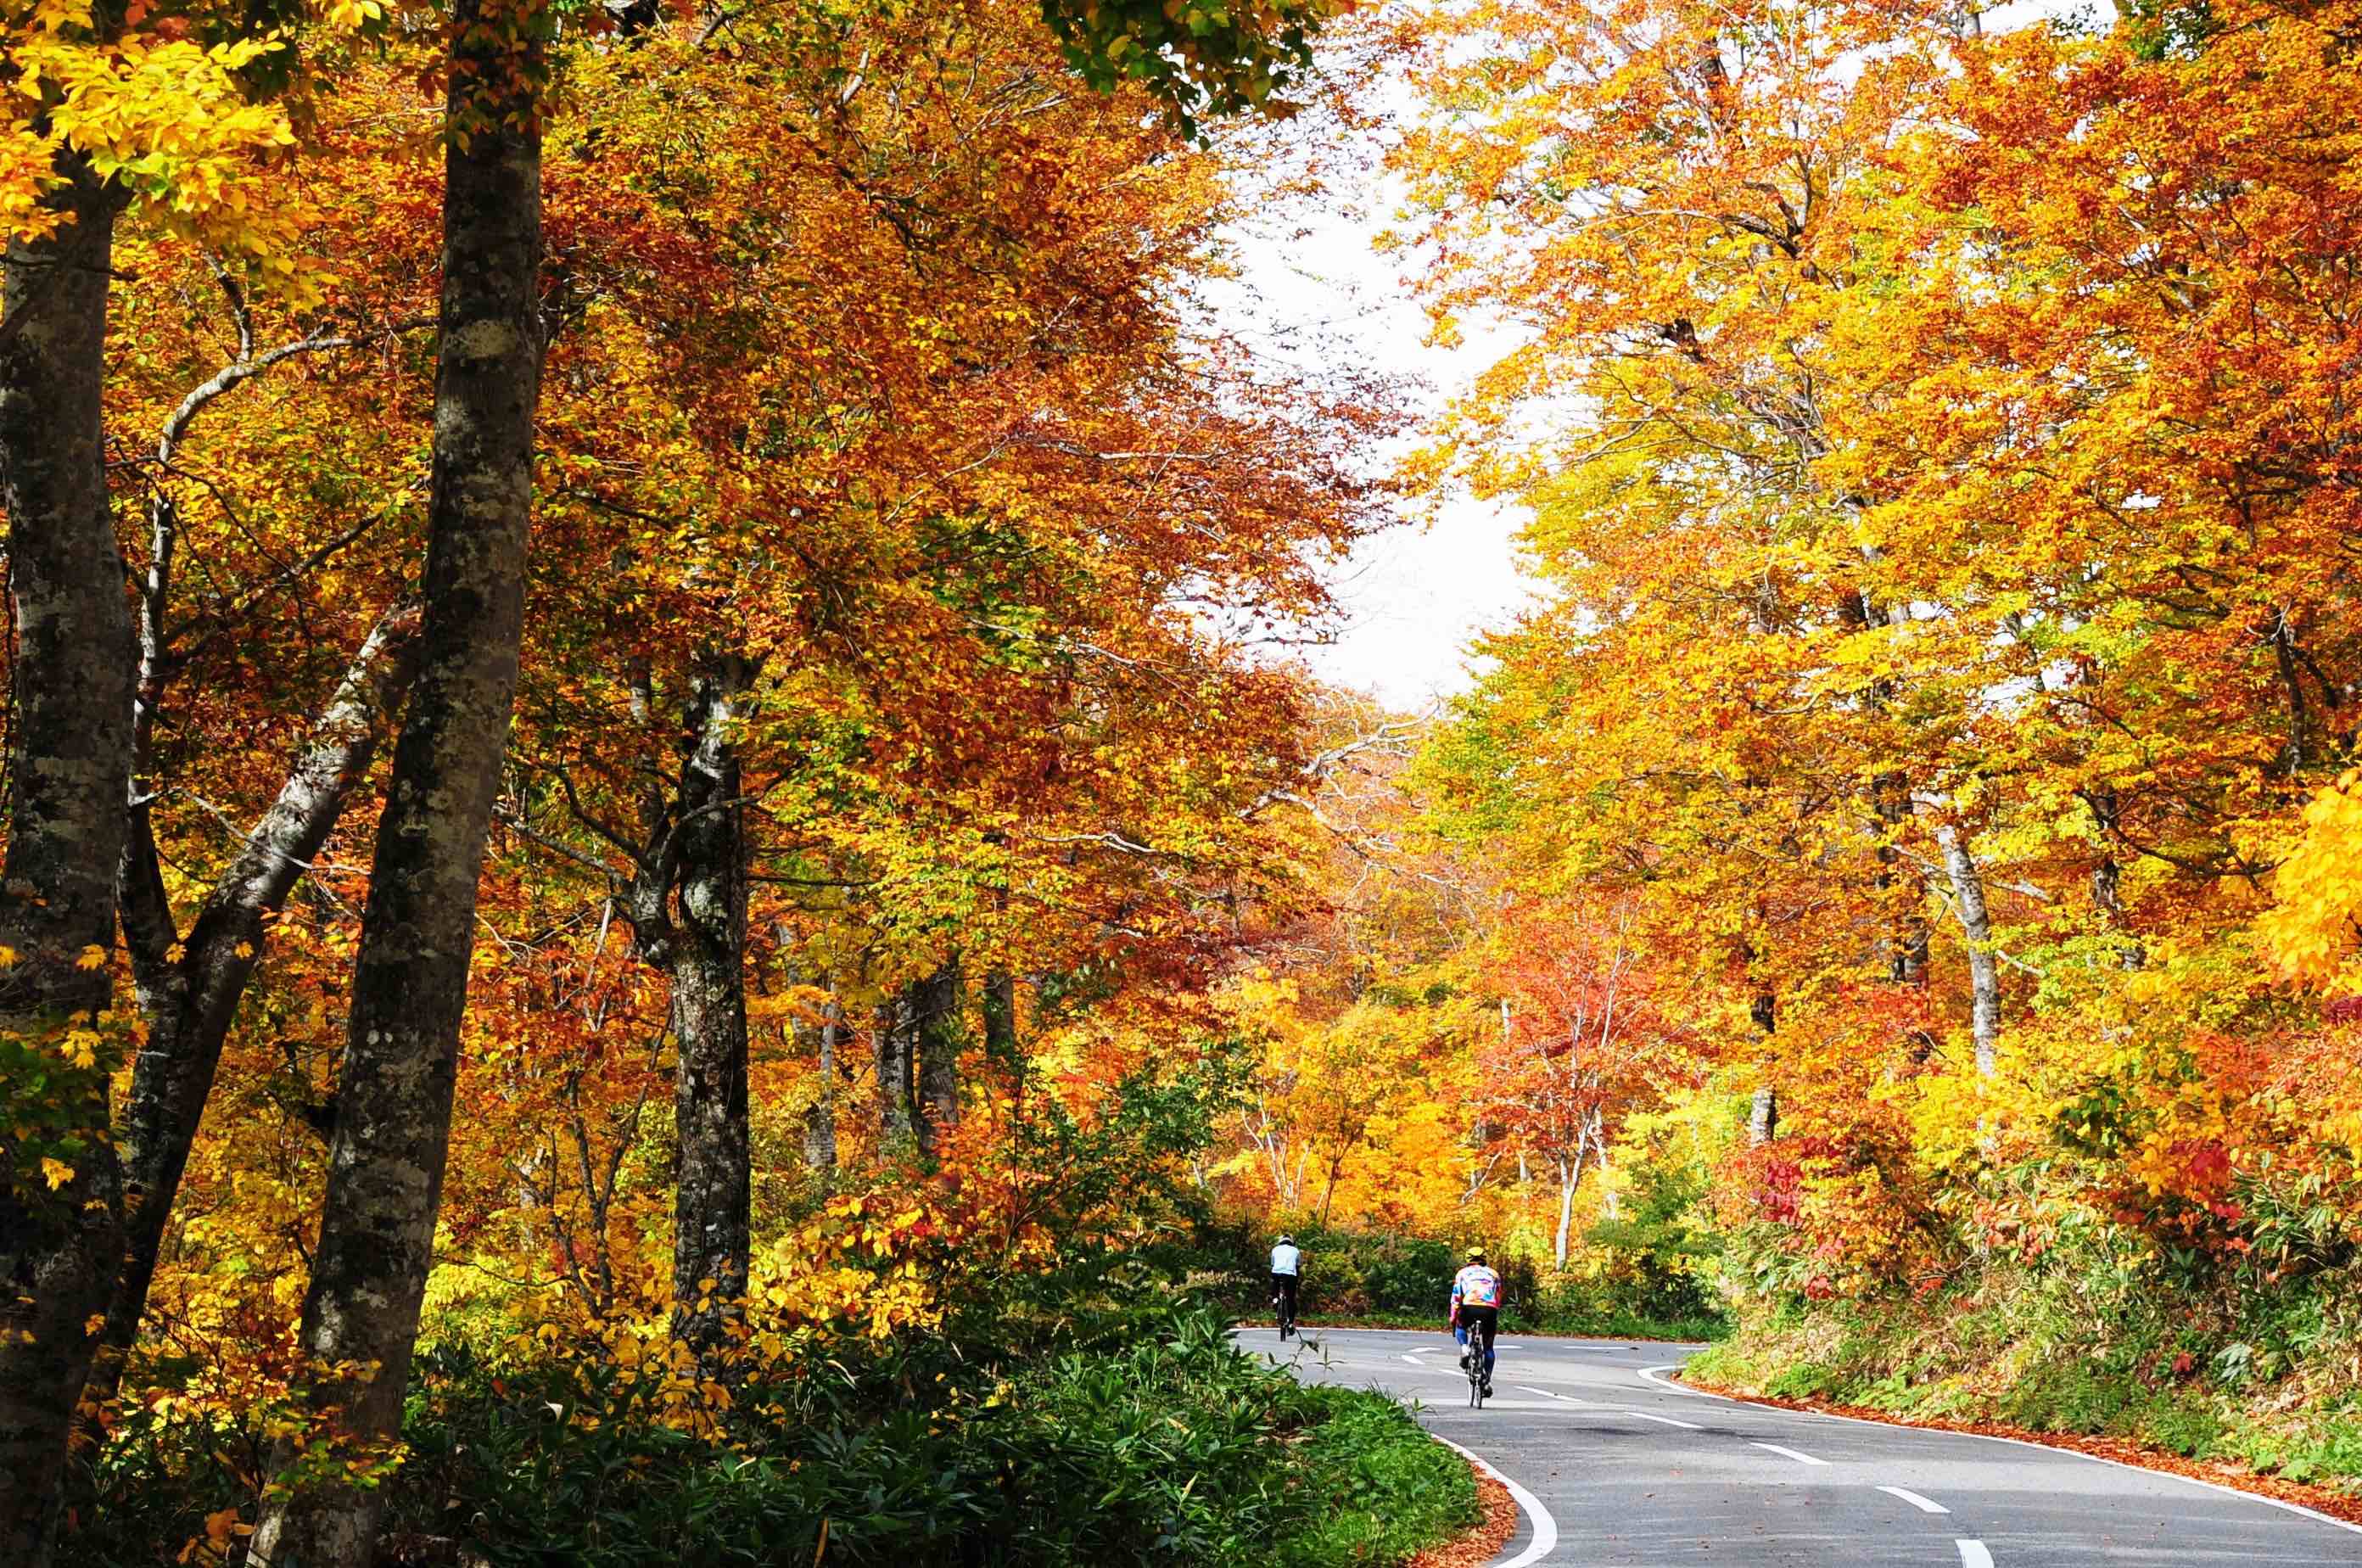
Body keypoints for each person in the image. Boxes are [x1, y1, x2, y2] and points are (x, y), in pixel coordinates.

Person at [1449, 1246, 1501, 1394]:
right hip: (1489, 1310)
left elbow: (1456, 1298)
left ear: (1467, 1259)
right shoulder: (1494, 1274)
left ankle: (1465, 1348)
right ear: (1485, 1259)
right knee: (1489, 1348)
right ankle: (1486, 1382)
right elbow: (1498, 1298)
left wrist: (1453, 1317)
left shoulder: (1462, 1274)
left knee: (1460, 1327)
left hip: (1469, 1307)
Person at [1269, 1232, 1301, 1336]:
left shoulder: (1275, 1249)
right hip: (1290, 1276)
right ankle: (1291, 1323)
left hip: (1277, 1273)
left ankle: (1275, 1298)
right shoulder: (1296, 1251)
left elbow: (1272, 1264)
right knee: (1291, 1298)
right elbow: (1298, 1265)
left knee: (1275, 1282)